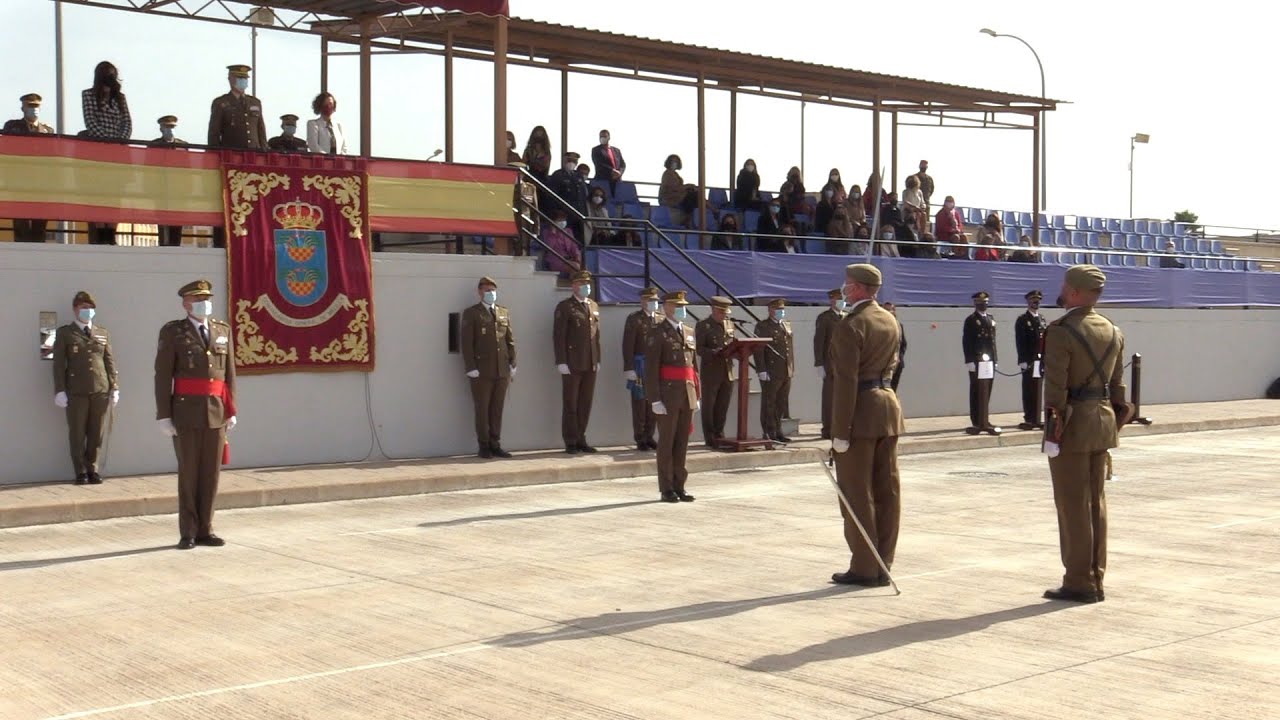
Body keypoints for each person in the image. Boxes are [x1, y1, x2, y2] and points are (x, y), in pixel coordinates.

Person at [1041, 264, 1130, 604]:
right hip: (1103, 420)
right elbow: (1118, 386)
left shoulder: (1062, 331)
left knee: (1072, 504)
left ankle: (1079, 581)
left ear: (1075, 292)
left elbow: (1056, 388)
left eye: (1065, 286)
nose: (1061, 291)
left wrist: (1053, 431)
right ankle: (1096, 576)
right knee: (1096, 504)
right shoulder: (1111, 329)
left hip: (1073, 425)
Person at [829, 263, 905, 586]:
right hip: (887, 407)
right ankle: (884, 563)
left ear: (858, 288)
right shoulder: (890, 320)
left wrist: (839, 432)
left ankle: (865, 567)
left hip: (860, 413)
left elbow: (846, 382)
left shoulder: (851, 325)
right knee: (887, 490)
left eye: (847, 284)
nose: (844, 289)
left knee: (857, 492)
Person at [154, 279, 237, 550]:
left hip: (216, 411)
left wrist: (231, 409)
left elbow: (229, 375)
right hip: (186, 412)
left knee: (211, 473)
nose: (204, 303)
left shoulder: (221, 330)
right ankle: (188, 531)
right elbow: (163, 375)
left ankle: (206, 529)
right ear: (185, 303)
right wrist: (164, 415)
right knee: (189, 473)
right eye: (198, 299)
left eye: (207, 299)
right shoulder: (173, 332)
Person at [51, 291, 118, 485]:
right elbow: (58, 364)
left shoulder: (102, 333)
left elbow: (109, 361)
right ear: (75, 310)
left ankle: (93, 469)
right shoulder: (65, 333)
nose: (87, 311)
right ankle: (80, 471)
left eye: (90, 308)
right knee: (77, 432)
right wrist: (60, 390)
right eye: (83, 308)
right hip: (76, 391)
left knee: (97, 432)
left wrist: (115, 386)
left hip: (100, 390)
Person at [646, 290, 699, 502]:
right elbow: (651, 369)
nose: (681, 310)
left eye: (683, 306)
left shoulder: (688, 331)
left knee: (682, 443)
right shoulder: (658, 333)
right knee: (667, 442)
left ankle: (680, 485)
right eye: (677, 306)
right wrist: (655, 399)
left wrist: (697, 393)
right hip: (667, 395)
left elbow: (693, 367)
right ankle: (666, 487)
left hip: (687, 393)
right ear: (666, 307)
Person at [460, 277, 517, 459]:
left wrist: (512, 363)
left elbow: (509, 340)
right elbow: (467, 343)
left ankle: (495, 443)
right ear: (479, 292)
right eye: (487, 290)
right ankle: (483, 445)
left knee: (497, 408)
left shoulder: (503, 312)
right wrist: (471, 367)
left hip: (502, 369)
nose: (491, 294)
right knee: (482, 408)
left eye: (493, 290)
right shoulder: (472, 313)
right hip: (482, 370)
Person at [82, 63, 133, 245]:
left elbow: (127, 122)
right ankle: (100, 233)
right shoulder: (88, 95)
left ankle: (111, 233)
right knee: (98, 193)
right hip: (98, 153)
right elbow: (91, 122)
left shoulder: (120, 98)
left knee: (115, 196)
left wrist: (119, 141)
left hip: (118, 154)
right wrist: (107, 143)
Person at [553, 270, 601, 454]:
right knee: (571, 403)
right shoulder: (565, 307)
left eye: (587, 283)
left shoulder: (594, 306)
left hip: (590, 362)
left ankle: (582, 437)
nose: (586, 287)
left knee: (585, 402)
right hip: (572, 362)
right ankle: (571, 440)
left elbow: (596, 336)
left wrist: (597, 358)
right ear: (573, 286)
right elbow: (559, 336)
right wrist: (561, 360)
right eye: (581, 283)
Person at [4, 94, 54, 242]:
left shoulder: (47, 130)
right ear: (23, 108)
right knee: (21, 223)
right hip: (19, 180)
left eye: (36, 106)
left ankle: (39, 254)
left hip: (41, 183)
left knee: (40, 224)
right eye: (30, 106)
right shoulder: (12, 127)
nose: (34, 109)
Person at [622, 287, 662, 450]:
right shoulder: (634, 319)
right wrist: (629, 367)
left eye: (655, 300)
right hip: (640, 365)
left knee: (654, 401)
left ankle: (650, 435)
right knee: (640, 402)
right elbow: (628, 344)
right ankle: (640, 438)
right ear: (643, 301)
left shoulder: (660, 319)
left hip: (656, 366)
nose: (653, 303)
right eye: (650, 300)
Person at [696, 296, 737, 448]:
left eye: (725, 313)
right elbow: (698, 349)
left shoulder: (730, 324)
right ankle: (710, 436)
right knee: (709, 406)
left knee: (723, 405)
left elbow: (735, 343)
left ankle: (720, 433)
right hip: (711, 371)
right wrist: (714, 352)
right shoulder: (703, 325)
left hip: (728, 370)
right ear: (713, 310)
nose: (724, 315)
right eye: (721, 312)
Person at [754, 298, 795, 443]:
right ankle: (768, 431)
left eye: (782, 309)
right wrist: (761, 369)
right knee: (769, 402)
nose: (780, 312)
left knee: (781, 402)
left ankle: (778, 431)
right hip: (771, 370)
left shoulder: (786, 325)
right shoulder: (763, 326)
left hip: (785, 370)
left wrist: (791, 368)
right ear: (770, 310)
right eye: (777, 310)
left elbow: (789, 349)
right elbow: (759, 350)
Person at [963, 291, 1001, 435]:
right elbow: (967, 342)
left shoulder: (990, 319)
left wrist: (995, 359)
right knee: (976, 390)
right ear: (975, 303)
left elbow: (992, 341)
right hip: (977, 361)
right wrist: (969, 361)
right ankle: (977, 420)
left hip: (989, 361)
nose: (983, 305)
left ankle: (984, 418)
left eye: (985, 302)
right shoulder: (971, 320)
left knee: (987, 389)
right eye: (980, 303)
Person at [148, 115, 189, 246]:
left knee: (177, 222)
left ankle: (175, 246)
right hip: (160, 190)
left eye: (172, 127)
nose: (170, 130)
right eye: (167, 127)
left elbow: (188, 170)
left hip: (179, 192)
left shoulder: (183, 146)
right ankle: (164, 246)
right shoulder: (154, 146)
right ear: (161, 129)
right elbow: (148, 169)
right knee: (163, 222)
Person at [208, 64, 266, 150]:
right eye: (239, 78)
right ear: (230, 79)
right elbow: (214, 133)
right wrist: (214, 153)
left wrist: (264, 150)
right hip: (231, 154)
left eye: (245, 78)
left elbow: (261, 130)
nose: (243, 81)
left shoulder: (255, 102)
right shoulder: (221, 103)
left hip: (254, 153)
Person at [813, 288, 845, 439]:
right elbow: (819, 341)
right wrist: (819, 363)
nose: (841, 302)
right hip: (830, 364)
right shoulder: (825, 318)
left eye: (842, 299)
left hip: (845, 364)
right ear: (832, 300)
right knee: (829, 398)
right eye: (838, 299)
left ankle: (841, 427)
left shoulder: (846, 317)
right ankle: (827, 429)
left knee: (843, 398)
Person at [1015, 289, 1049, 430]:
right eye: (1033, 300)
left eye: (1038, 300)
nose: (1036, 302)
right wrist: (1022, 359)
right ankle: (1029, 418)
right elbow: (1020, 341)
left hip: (1040, 360)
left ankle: (1037, 418)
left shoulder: (1041, 319)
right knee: (1028, 388)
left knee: (1038, 387)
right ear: (1028, 302)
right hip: (1029, 360)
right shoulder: (1023, 320)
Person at [548, 151, 588, 237]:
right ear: (564, 160)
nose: (571, 163)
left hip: (579, 214)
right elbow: (552, 196)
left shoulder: (578, 176)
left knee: (579, 239)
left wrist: (584, 213)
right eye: (569, 160)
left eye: (574, 161)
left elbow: (583, 196)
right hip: (564, 214)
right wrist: (556, 213)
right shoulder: (558, 175)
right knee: (565, 239)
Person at [659, 154, 699, 228]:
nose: (674, 163)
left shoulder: (675, 174)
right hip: (671, 198)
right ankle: (713, 209)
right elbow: (675, 188)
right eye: (673, 161)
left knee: (694, 195)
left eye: (676, 161)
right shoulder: (667, 174)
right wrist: (689, 186)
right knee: (693, 196)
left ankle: (692, 219)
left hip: (678, 196)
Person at [539, 209, 581, 277]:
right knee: (576, 267)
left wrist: (578, 257)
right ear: (553, 221)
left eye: (563, 220)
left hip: (569, 259)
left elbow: (574, 246)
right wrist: (553, 233)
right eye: (559, 220)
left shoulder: (568, 231)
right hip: (555, 260)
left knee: (582, 268)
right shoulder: (547, 232)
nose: (562, 222)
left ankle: (576, 287)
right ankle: (582, 287)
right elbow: (549, 247)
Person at [591, 129, 626, 196]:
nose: (602, 138)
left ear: (609, 137)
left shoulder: (616, 150)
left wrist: (619, 173)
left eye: (604, 136)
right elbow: (598, 164)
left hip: (617, 181)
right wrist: (612, 171)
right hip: (603, 180)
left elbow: (623, 164)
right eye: (601, 137)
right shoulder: (596, 150)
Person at [883, 301, 906, 391]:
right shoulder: (878, 325)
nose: (888, 312)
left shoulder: (899, 326)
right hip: (883, 365)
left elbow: (903, 344)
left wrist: (898, 358)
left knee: (892, 390)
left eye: (890, 310)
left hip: (896, 364)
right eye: (885, 310)